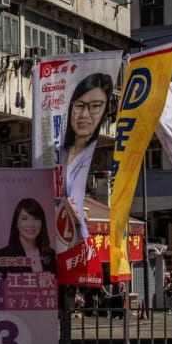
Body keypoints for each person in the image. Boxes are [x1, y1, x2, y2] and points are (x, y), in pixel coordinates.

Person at [60, 73, 113, 239]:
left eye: (95, 106)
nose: (84, 114)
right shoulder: (55, 152)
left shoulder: (87, 158)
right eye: (80, 105)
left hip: (76, 242)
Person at [0, 198, 57, 274]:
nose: (31, 224)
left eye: (36, 218)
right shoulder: (3, 256)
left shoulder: (50, 254)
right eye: (24, 219)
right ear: (16, 223)